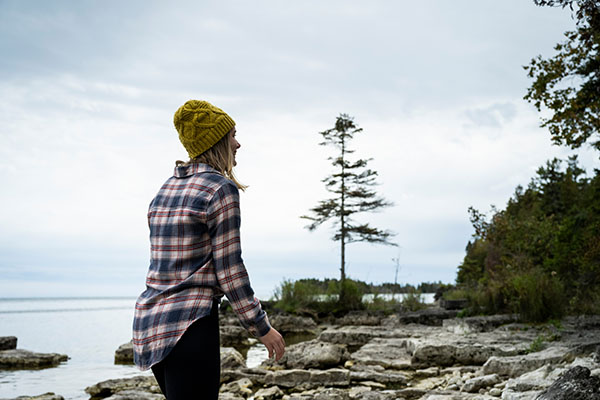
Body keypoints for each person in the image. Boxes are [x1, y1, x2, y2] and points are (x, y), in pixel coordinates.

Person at [132, 100, 285, 399]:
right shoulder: (219, 189)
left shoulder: (165, 190)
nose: (238, 143)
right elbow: (229, 270)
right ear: (216, 142)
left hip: (150, 326)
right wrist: (260, 326)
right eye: (232, 136)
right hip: (191, 325)